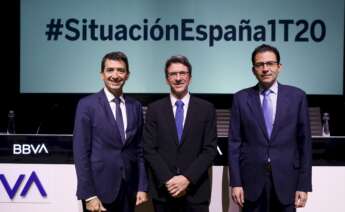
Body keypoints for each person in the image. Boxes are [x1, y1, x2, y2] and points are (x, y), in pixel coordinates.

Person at [228, 44, 312, 212]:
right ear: (253, 70)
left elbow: (305, 144)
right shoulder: (241, 98)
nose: (265, 69)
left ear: (279, 67)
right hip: (251, 182)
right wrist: (235, 182)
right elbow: (234, 144)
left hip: (287, 181)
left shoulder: (297, 97)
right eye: (260, 65)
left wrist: (303, 184)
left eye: (270, 63)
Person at [73, 51, 148, 212]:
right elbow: (81, 154)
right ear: (102, 74)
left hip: (129, 191)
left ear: (127, 75)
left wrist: (142, 186)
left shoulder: (135, 106)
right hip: (99, 193)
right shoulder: (87, 105)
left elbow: (140, 150)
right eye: (110, 70)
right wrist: (89, 195)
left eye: (120, 70)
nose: (115, 75)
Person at [143, 55, 217, 212]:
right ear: (166, 79)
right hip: (164, 192)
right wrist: (169, 180)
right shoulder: (154, 109)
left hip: (196, 192)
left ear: (190, 77)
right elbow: (149, 149)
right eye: (173, 74)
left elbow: (209, 149)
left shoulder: (206, 109)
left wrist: (187, 179)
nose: (178, 78)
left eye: (182, 73)